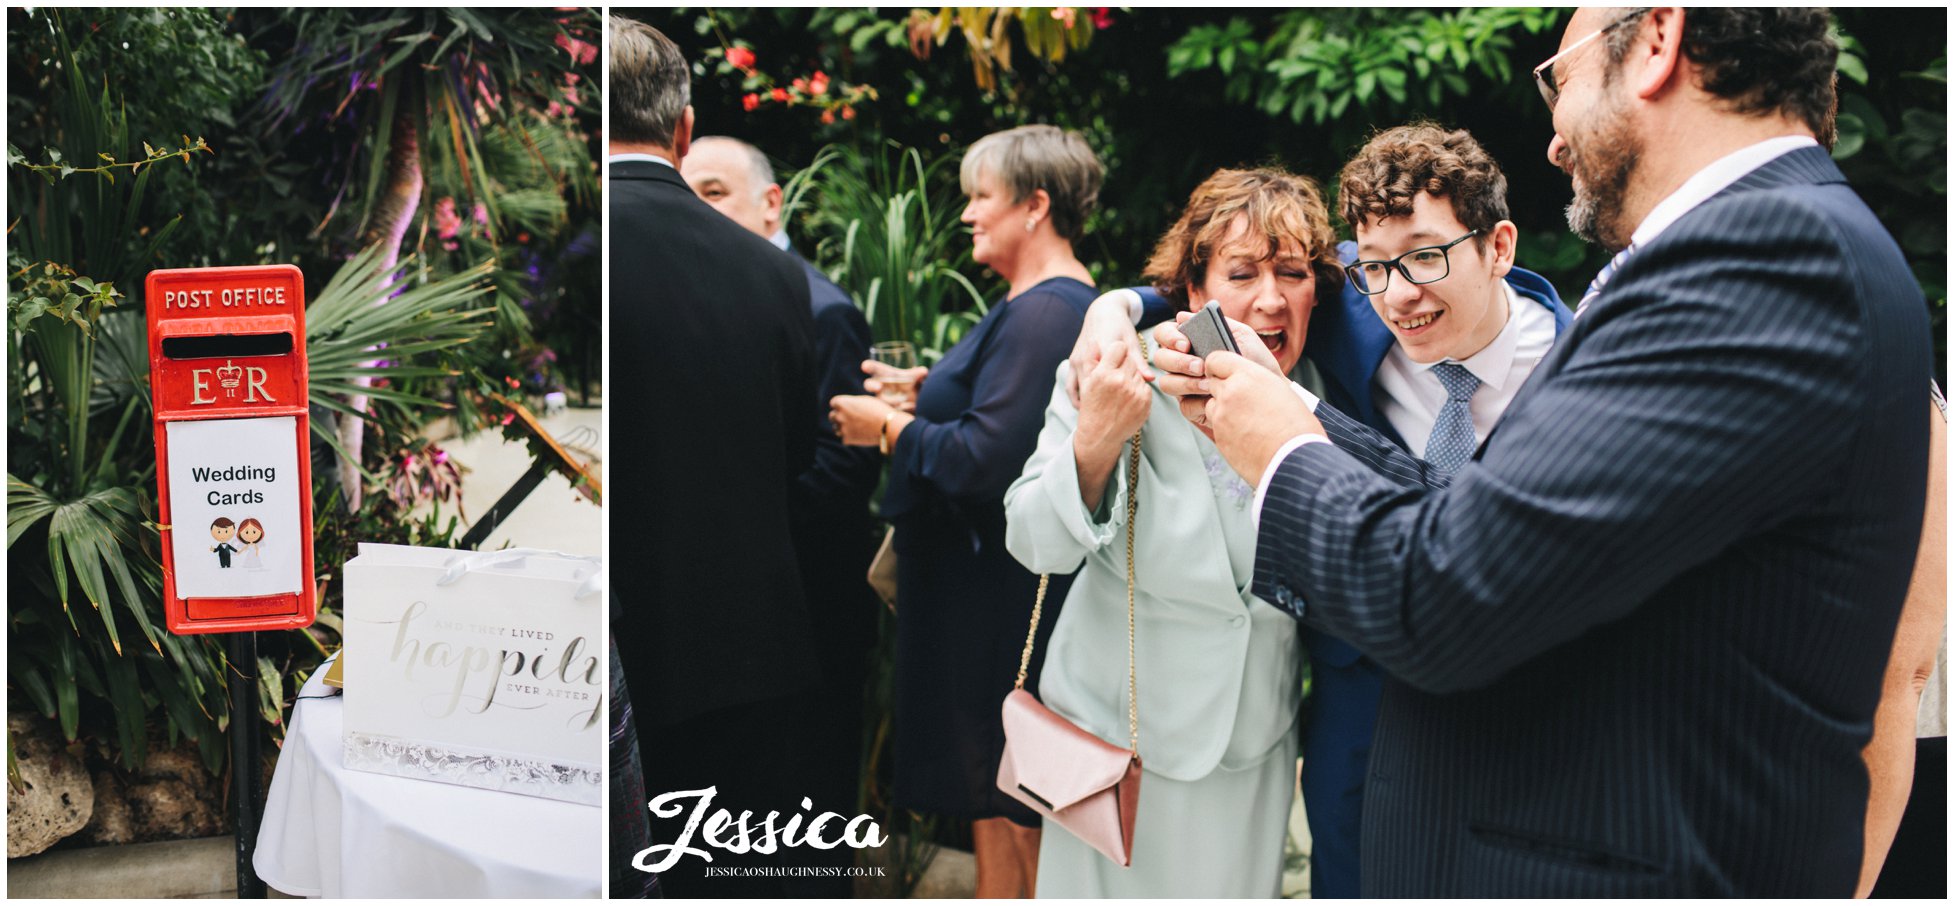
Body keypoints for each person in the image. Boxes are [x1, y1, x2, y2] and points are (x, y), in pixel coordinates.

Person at [1175, 8, 1929, 895]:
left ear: (1657, 42)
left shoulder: (1757, 257)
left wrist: (1287, 449)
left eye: (1559, 79)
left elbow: (1447, 592)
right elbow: (1498, 522)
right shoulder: (1767, 244)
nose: (1555, 142)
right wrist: (1300, 412)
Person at [1071, 125, 1573, 897]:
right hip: (1363, 693)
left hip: (1526, 701)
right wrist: (1112, 306)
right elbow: (1219, 278)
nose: (1402, 291)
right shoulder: (1356, 309)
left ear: (1499, 247)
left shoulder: (1582, 372)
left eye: (1429, 256)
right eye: (1375, 267)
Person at [1004, 168, 1345, 896]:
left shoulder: (1325, 394)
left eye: (1292, 272)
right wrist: (1095, 441)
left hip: (1251, 749)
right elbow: (1033, 542)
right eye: (1242, 272)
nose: (1270, 297)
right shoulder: (1116, 368)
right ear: (1193, 291)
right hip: (1109, 744)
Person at [828, 124, 1102, 898]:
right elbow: (1000, 413)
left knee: (1012, 799)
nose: (968, 214)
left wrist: (885, 428)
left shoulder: (1048, 311)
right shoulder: (1030, 308)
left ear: (1035, 205)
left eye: (982, 196)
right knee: (996, 800)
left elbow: (986, 460)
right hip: (978, 601)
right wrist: (926, 393)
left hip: (994, 609)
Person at [606, 17, 830, 897]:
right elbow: (794, 458)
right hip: (743, 647)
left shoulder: (588, 251)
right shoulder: (774, 274)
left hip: (615, 648)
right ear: (683, 128)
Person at [682, 135, 883, 855]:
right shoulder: (699, 308)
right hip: (735, 625)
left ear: (771, 205)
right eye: (689, 195)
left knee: (808, 809)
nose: (696, 212)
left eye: (712, 192)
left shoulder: (820, 309)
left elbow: (843, 469)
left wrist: (724, 519)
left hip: (812, 610)